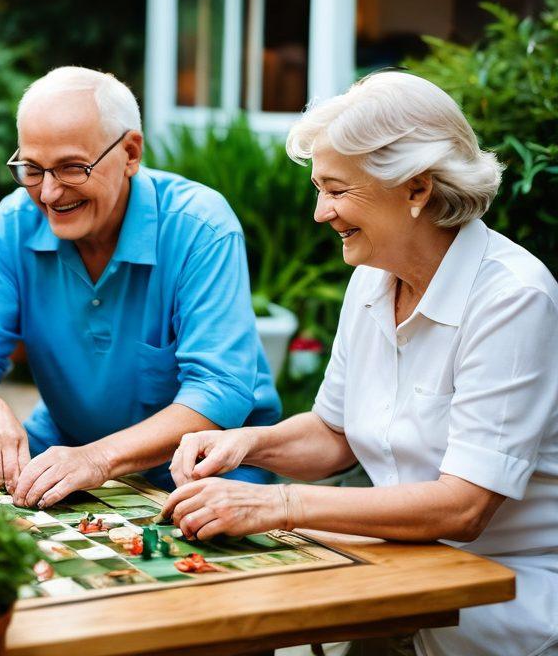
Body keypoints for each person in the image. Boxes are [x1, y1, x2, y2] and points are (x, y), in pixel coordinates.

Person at [163, 72, 558, 656]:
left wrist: (278, 504)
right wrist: (246, 444)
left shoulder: (514, 297)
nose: (321, 212)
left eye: (338, 190)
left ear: (416, 190)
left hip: (502, 616)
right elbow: (335, 433)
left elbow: (464, 506)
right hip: (395, 584)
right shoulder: (373, 276)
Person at [0, 66, 281, 508]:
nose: (51, 194)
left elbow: (218, 392)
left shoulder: (200, 225)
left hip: (198, 461)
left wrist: (97, 460)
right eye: (32, 169)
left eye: (72, 168)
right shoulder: (15, 221)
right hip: (65, 441)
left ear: (130, 152)